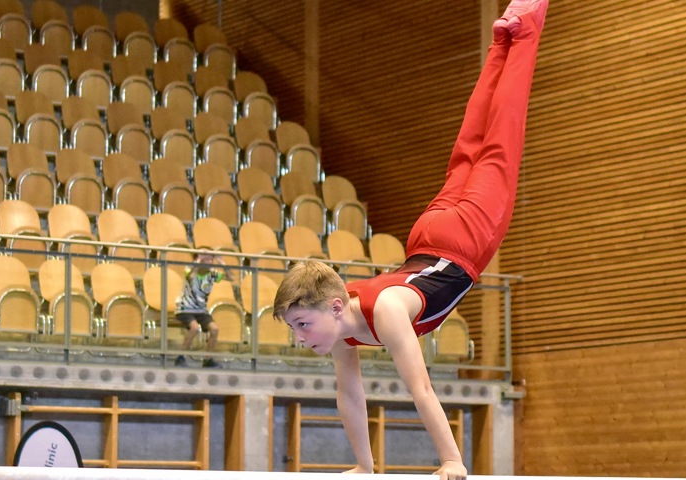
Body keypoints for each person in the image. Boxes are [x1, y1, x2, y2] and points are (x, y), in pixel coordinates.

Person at [272, 1, 547, 478]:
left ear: (334, 308)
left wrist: (451, 461)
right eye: (294, 328)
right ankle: (502, 38)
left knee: (500, 137)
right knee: (471, 142)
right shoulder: (343, 324)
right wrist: (364, 467)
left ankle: (523, 31)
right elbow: (350, 396)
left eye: (300, 323)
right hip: (429, 234)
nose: (299, 338)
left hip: (461, 240)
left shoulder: (386, 312)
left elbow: (420, 387)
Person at [173, 250, 232, 368]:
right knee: (194, 328)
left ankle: (208, 359)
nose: (209, 261)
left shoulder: (212, 273)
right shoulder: (189, 269)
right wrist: (198, 262)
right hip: (185, 309)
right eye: (206, 259)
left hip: (201, 311)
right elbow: (191, 276)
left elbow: (230, 278)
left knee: (214, 329)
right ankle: (180, 357)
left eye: (211, 259)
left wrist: (222, 263)